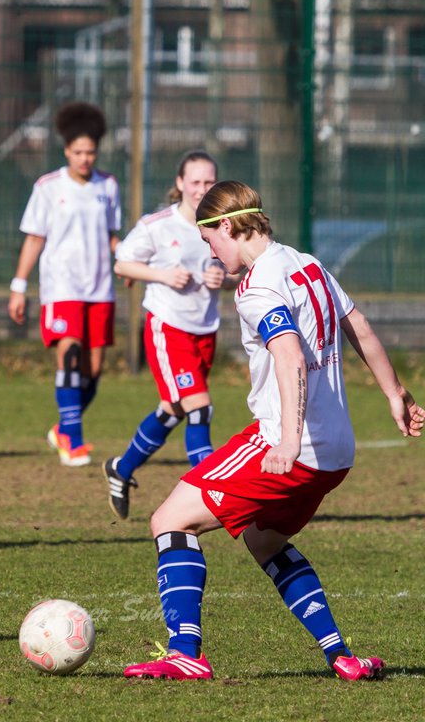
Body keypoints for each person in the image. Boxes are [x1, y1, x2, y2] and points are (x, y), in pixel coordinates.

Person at [123, 180, 425, 681]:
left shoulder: (257, 286)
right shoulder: (307, 262)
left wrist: (286, 438)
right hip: (337, 451)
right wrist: (396, 394)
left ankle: (185, 654)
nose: (211, 253)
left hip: (289, 443)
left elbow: (289, 356)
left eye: (210, 240)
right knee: (264, 540)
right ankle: (340, 656)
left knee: (169, 520)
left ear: (227, 226)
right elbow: (361, 327)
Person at [103, 151, 223, 519]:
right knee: (200, 410)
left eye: (209, 182)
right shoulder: (158, 225)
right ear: (180, 183)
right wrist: (164, 275)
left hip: (205, 328)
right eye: (195, 182)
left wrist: (224, 277)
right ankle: (210, 493)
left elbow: (237, 264)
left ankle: (121, 469)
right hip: (168, 328)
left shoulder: (222, 223)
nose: (202, 189)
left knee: (173, 410)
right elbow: (122, 262)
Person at [8, 102, 121, 467]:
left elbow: (111, 236)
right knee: (69, 357)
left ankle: (63, 427)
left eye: (90, 152)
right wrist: (18, 285)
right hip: (62, 287)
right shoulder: (47, 187)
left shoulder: (109, 186)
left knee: (94, 370)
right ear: (66, 151)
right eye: (78, 152)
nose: (85, 159)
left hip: (100, 287)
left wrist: (129, 263)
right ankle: (72, 440)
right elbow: (35, 239)